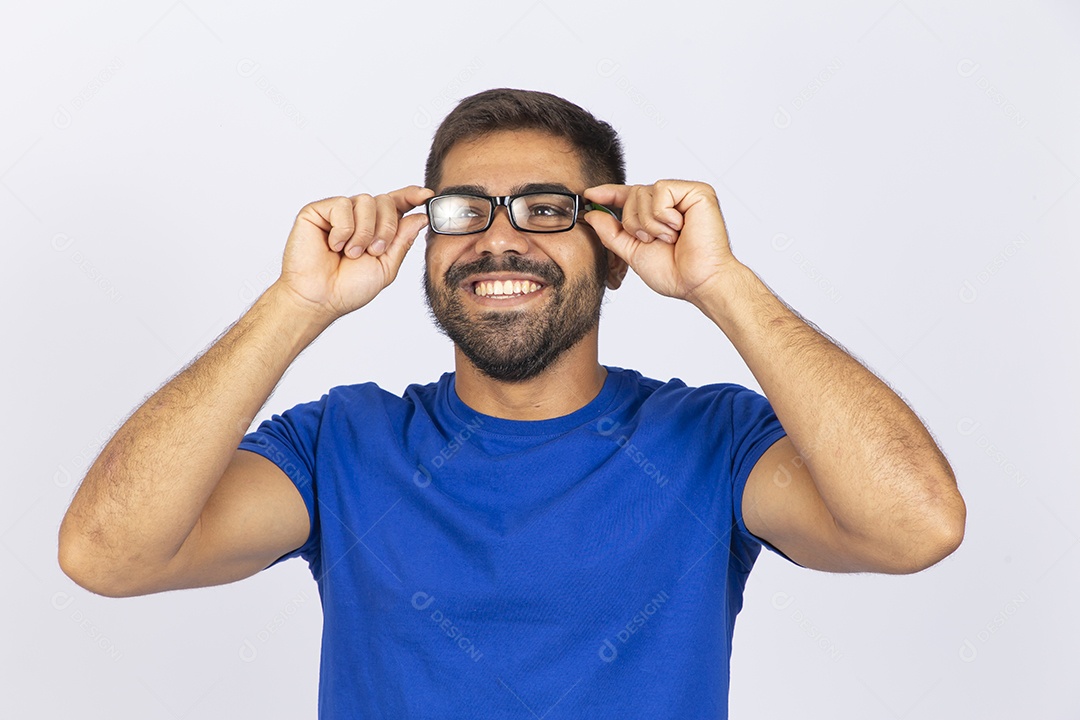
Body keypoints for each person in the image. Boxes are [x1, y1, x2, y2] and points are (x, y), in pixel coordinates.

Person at [58, 88, 966, 718]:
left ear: (614, 252)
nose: (498, 241)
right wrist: (296, 304)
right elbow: (108, 553)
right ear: (425, 243)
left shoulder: (710, 441)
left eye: (544, 210)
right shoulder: (342, 443)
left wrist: (721, 282)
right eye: (464, 212)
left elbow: (914, 526)